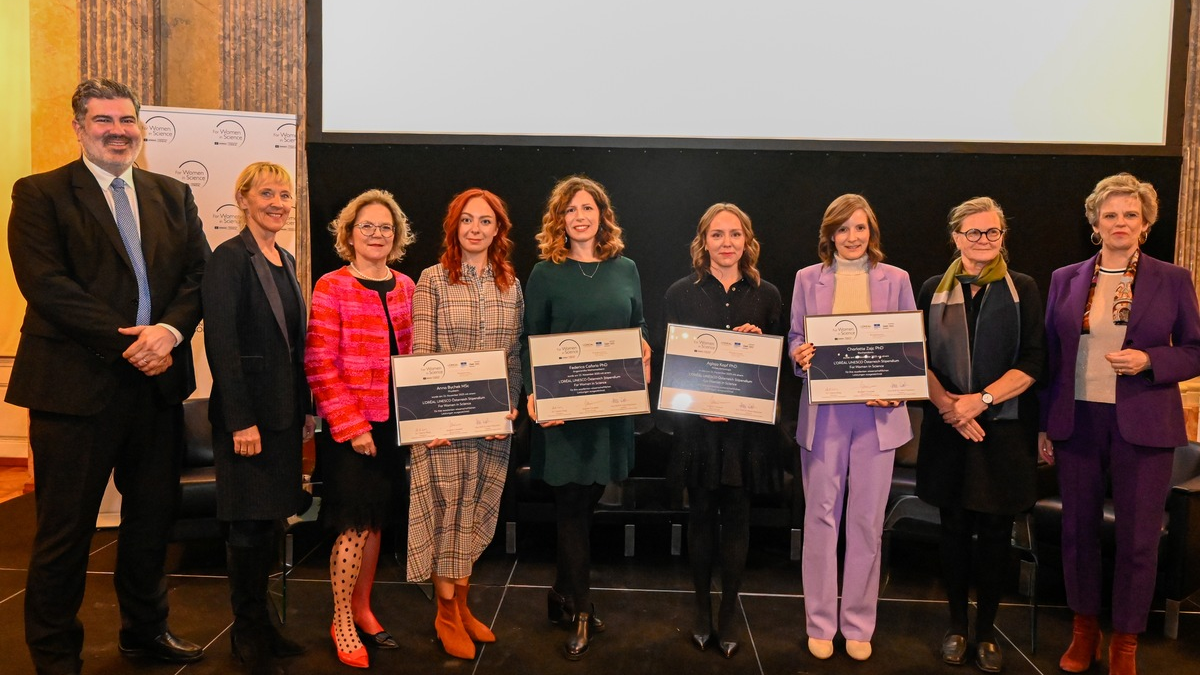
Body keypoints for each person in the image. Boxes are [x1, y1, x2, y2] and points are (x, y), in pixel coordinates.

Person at [6, 78, 210, 675]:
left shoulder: (172, 193)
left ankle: (145, 632)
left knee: (151, 522)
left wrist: (168, 333)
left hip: (157, 386)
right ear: (78, 127)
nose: (118, 130)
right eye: (103, 120)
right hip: (74, 390)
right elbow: (46, 285)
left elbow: (197, 277)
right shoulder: (40, 193)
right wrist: (133, 342)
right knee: (64, 534)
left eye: (127, 120)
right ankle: (54, 655)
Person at [1040, 174, 1200, 675]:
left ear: (1146, 223)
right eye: (1110, 214)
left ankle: (1126, 642)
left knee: (1138, 540)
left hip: (1145, 425)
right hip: (1077, 422)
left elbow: (1195, 350)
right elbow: (1051, 357)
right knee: (1078, 532)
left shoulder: (1172, 279)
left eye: (1131, 214)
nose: (1120, 223)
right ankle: (1084, 630)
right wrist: (1046, 425)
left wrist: (1151, 360)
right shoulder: (1065, 278)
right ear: (1095, 223)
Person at [522, 175, 651, 661]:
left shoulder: (627, 268)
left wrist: (642, 344)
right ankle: (581, 610)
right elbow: (530, 340)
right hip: (562, 416)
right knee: (572, 509)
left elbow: (637, 323)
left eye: (588, 208)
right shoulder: (544, 273)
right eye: (571, 209)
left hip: (610, 412)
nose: (580, 216)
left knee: (587, 503)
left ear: (602, 216)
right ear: (560, 220)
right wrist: (533, 394)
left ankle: (561, 592)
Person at [917, 197, 1045, 673]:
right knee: (951, 530)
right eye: (973, 233)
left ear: (1002, 236)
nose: (984, 241)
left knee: (994, 533)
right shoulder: (932, 288)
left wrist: (981, 401)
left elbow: (1034, 360)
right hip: (949, 428)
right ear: (955, 237)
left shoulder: (1023, 288)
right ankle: (955, 626)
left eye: (992, 233)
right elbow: (918, 358)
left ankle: (987, 632)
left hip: (1003, 431)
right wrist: (952, 407)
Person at [789, 194, 914, 663]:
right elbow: (796, 336)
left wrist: (898, 389)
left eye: (860, 228)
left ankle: (859, 624)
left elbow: (907, 345)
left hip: (877, 417)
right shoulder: (807, 278)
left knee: (865, 522)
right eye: (843, 229)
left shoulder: (896, 279)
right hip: (825, 415)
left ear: (871, 232)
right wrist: (798, 355)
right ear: (830, 235)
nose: (852, 237)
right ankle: (820, 623)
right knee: (820, 519)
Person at [202, 162, 311, 672]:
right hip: (248, 422)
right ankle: (245, 632)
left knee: (269, 524)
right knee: (246, 528)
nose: (277, 203)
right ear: (243, 199)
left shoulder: (284, 258)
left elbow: (294, 347)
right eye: (266, 193)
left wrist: (305, 410)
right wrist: (241, 421)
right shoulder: (229, 258)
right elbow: (222, 345)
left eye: (285, 195)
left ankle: (264, 625)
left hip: (285, 418)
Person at [406, 189, 524, 660]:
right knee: (447, 516)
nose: (475, 229)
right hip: (442, 426)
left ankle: (464, 605)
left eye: (486, 221)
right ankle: (445, 614)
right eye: (467, 221)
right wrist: (427, 421)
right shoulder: (432, 280)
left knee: (476, 513)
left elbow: (513, 357)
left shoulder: (511, 284)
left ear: (498, 230)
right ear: (454, 227)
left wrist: (508, 409)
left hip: (491, 426)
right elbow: (421, 355)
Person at [663, 203, 782, 659]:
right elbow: (671, 360)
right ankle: (700, 610)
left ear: (747, 241)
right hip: (698, 428)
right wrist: (700, 408)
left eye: (735, 235)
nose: (726, 243)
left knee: (737, 519)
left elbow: (776, 369)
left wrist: (757, 343)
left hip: (745, 433)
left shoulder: (767, 294)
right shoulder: (680, 292)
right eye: (717, 235)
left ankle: (730, 611)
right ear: (703, 241)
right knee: (700, 518)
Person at [305, 189, 416, 669]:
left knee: (376, 521)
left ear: (398, 237)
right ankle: (341, 620)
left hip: (396, 424)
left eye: (385, 228)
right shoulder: (331, 286)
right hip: (354, 427)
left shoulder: (408, 286)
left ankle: (363, 607)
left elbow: (421, 357)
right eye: (366, 226)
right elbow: (319, 363)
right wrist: (351, 426)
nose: (377, 234)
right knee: (352, 524)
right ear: (349, 234)